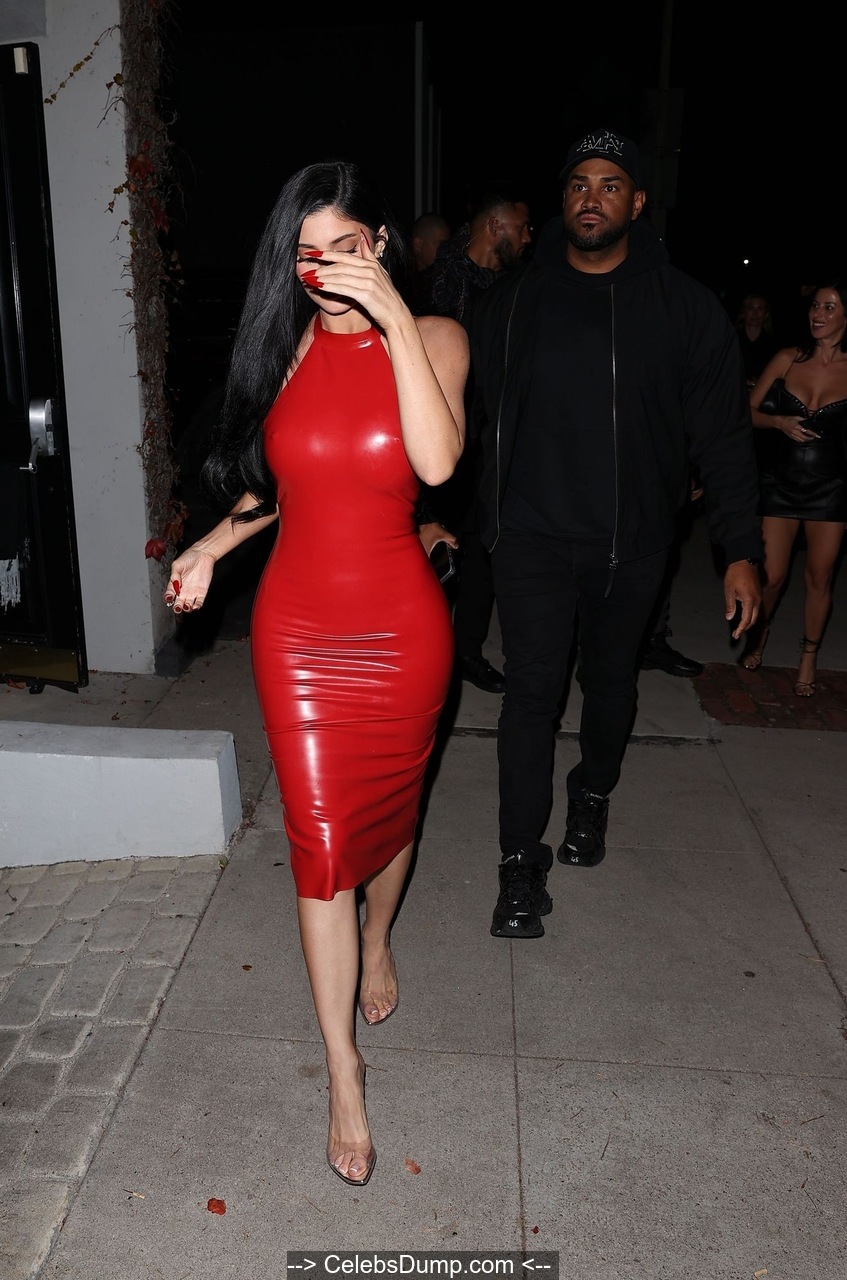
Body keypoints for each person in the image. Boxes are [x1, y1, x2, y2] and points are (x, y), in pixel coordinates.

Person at [163, 160, 468, 1184]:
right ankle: (343, 1069)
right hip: (296, 633)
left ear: (378, 244)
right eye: (308, 253)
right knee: (322, 840)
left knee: (392, 814)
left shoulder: (436, 339)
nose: (326, 268)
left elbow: (436, 463)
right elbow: (282, 486)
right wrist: (211, 545)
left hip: (401, 631)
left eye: (346, 246)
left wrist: (390, 316)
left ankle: (380, 937)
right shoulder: (286, 348)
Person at [467, 125, 763, 939]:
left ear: (635, 202)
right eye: (576, 184)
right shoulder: (514, 301)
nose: (589, 198)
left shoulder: (684, 308)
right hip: (529, 536)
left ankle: (591, 789)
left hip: (630, 544)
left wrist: (740, 550)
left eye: (608, 185)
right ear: (561, 202)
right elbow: (464, 412)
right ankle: (518, 864)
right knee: (530, 695)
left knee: (609, 687)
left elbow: (723, 439)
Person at [418, 193, 533, 694]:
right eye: (522, 227)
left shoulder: (519, 290)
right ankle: (423, 653)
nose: (528, 237)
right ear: (495, 225)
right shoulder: (438, 284)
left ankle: (466, 652)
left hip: (493, 444)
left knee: (485, 554)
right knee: (433, 552)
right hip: (438, 442)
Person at [739, 278, 847, 696]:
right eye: (815, 306)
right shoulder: (788, 358)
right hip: (780, 483)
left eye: (829, 307)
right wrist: (778, 422)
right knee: (771, 576)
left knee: (819, 577)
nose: (817, 314)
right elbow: (746, 411)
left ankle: (808, 655)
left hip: (831, 488)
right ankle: (759, 633)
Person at [405, 211, 451, 315]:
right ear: (418, 244)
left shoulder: (446, 281)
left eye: (448, 245)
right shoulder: (401, 282)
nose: (445, 250)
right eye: (440, 244)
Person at [736, 291, 780, 390]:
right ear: (743, 312)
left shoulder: (774, 344)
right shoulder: (732, 340)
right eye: (750, 308)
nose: (755, 313)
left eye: (760, 309)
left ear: (766, 314)